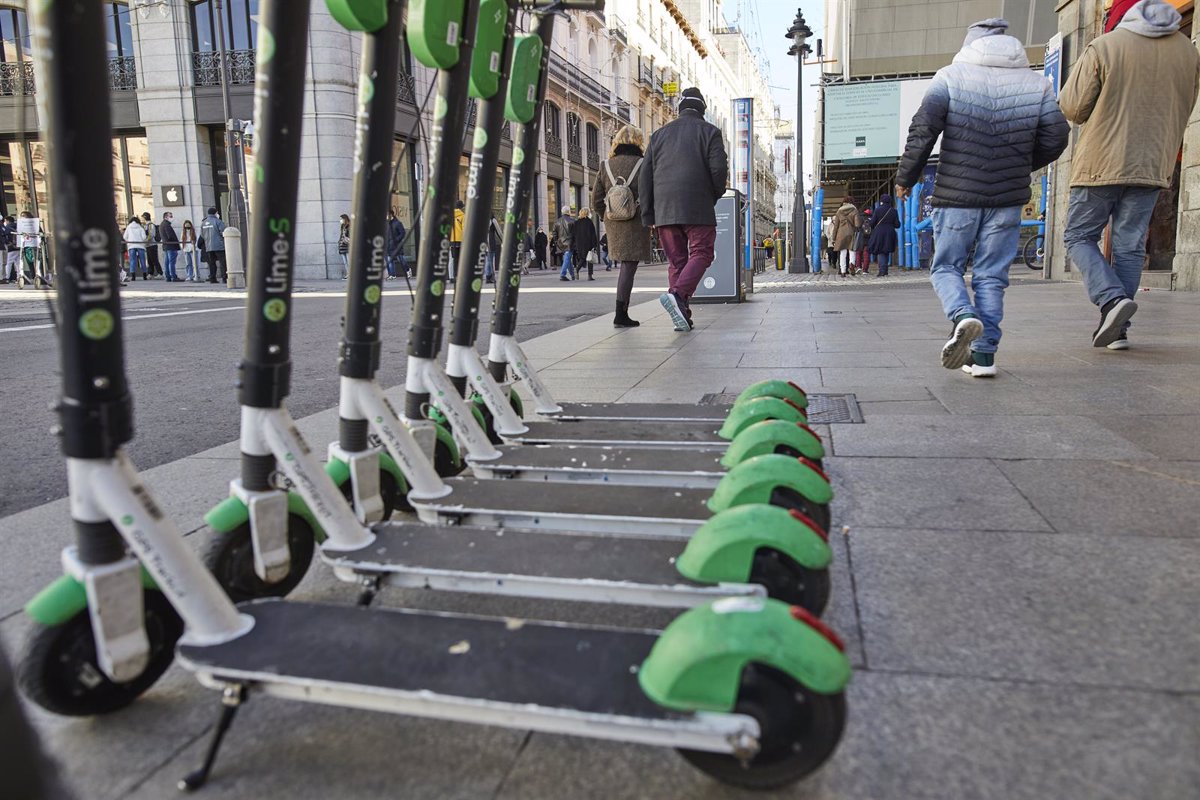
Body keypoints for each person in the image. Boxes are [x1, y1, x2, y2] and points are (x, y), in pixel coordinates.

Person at [896, 18, 1069, 377]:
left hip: (956, 196)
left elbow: (922, 131)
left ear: (969, 45)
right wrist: (1019, 165)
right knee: (991, 276)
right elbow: (1056, 137)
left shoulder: (950, 76)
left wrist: (906, 177)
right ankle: (985, 357)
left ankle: (963, 314)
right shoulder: (1037, 84)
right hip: (1006, 198)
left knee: (946, 267)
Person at [1060, 0, 1200, 350]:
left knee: (1078, 236)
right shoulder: (1188, 52)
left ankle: (1110, 301)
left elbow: (1073, 107)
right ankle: (1118, 330)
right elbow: (1187, 102)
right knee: (1129, 247)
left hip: (1101, 161)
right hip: (1152, 164)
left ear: (1121, 16)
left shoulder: (1105, 46)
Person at [639, 87, 729, 331]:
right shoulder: (710, 132)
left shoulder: (658, 135)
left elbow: (644, 176)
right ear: (702, 110)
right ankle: (678, 296)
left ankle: (682, 315)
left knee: (677, 262)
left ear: (679, 109)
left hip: (665, 209)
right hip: (697, 205)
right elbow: (719, 171)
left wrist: (649, 214)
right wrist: (713, 194)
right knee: (702, 253)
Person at [593, 123, 653, 327]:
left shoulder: (605, 165)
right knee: (628, 266)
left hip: (614, 224)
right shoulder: (643, 164)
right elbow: (649, 195)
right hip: (636, 222)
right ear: (638, 141)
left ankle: (622, 312)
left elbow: (596, 200)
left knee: (626, 266)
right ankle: (620, 314)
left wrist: (609, 218)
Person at [867, 195, 901, 277]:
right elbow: (897, 225)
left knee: (881, 251)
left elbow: (872, 223)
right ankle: (885, 270)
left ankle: (882, 271)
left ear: (881, 201)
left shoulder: (878, 210)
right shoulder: (894, 211)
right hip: (890, 232)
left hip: (880, 232)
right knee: (886, 250)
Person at [829, 197, 861, 277]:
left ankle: (843, 271)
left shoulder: (839, 211)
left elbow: (836, 226)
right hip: (851, 233)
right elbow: (857, 224)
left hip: (841, 234)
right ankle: (851, 264)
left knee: (842, 253)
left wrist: (833, 238)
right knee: (852, 250)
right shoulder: (854, 210)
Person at [200, 206, 227, 284]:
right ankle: (224, 278)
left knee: (211, 263)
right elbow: (224, 232)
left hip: (208, 246)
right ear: (215, 213)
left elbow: (202, 235)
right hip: (219, 246)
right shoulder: (218, 221)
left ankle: (212, 278)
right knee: (223, 263)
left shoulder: (204, 223)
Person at [573, 208, 599, 281]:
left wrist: (575, 244)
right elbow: (593, 234)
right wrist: (594, 245)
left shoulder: (576, 223)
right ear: (587, 213)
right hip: (588, 243)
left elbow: (574, 234)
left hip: (579, 244)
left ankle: (577, 269)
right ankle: (589, 276)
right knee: (590, 259)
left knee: (582, 258)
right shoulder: (589, 222)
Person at [123, 214, 148, 280]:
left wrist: (129, 240)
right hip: (140, 245)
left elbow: (124, 237)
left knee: (132, 260)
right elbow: (144, 237)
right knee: (142, 260)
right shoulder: (140, 227)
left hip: (131, 245)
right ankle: (144, 275)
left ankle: (133, 276)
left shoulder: (128, 227)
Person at [554, 206, 575, 281]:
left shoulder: (557, 221)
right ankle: (563, 274)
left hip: (561, 243)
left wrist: (556, 242)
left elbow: (554, 233)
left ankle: (572, 275)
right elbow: (575, 233)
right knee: (567, 258)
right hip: (570, 242)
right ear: (568, 211)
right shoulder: (572, 221)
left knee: (567, 258)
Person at [386, 208, 407, 280]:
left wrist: (396, 240)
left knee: (401, 260)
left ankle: (407, 270)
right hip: (388, 246)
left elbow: (403, 233)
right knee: (390, 261)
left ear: (391, 214)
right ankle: (392, 275)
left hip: (396, 246)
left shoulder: (397, 223)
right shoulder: (387, 224)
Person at [160, 212, 181, 282]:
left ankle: (168, 276)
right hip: (171, 245)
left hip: (167, 246)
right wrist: (175, 242)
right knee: (171, 262)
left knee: (167, 262)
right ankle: (173, 276)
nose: (172, 218)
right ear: (166, 217)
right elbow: (170, 236)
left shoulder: (162, 224)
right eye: (170, 216)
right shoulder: (166, 225)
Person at [483, 213, 503, 283]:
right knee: (490, 260)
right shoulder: (493, 220)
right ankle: (490, 276)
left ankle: (488, 276)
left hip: (483, 242)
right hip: (490, 242)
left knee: (487, 259)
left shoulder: (481, 219)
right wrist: (503, 240)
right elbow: (499, 232)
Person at [449, 200, 465, 284]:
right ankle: (459, 276)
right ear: (462, 207)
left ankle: (452, 276)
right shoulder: (463, 216)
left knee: (453, 259)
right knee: (460, 259)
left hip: (452, 240)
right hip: (461, 240)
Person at [141, 212, 161, 279]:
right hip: (148, 245)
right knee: (149, 260)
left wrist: (145, 241)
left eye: (143, 217)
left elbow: (152, 234)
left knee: (154, 259)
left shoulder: (150, 225)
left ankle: (160, 273)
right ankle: (150, 273)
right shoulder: (145, 225)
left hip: (152, 245)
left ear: (145, 217)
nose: (142, 219)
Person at [1, 216, 17, 283]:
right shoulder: (3, 226)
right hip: (4, 246)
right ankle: (2, 278)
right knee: (3, 262)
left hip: (7, 246)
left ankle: (5, 277)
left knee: (6, 263)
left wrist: (7, 242)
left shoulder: (4, 227)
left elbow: (4, 236)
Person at [337, 213, 351, 279]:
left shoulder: (350, 226)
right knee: (345, 262)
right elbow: (341, 235)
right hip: (342, 246)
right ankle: (348, 274)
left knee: (349, 261)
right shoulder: (342, 226)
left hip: (348, 245)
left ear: (345, 219)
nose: (341, 220)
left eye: (342, 219)